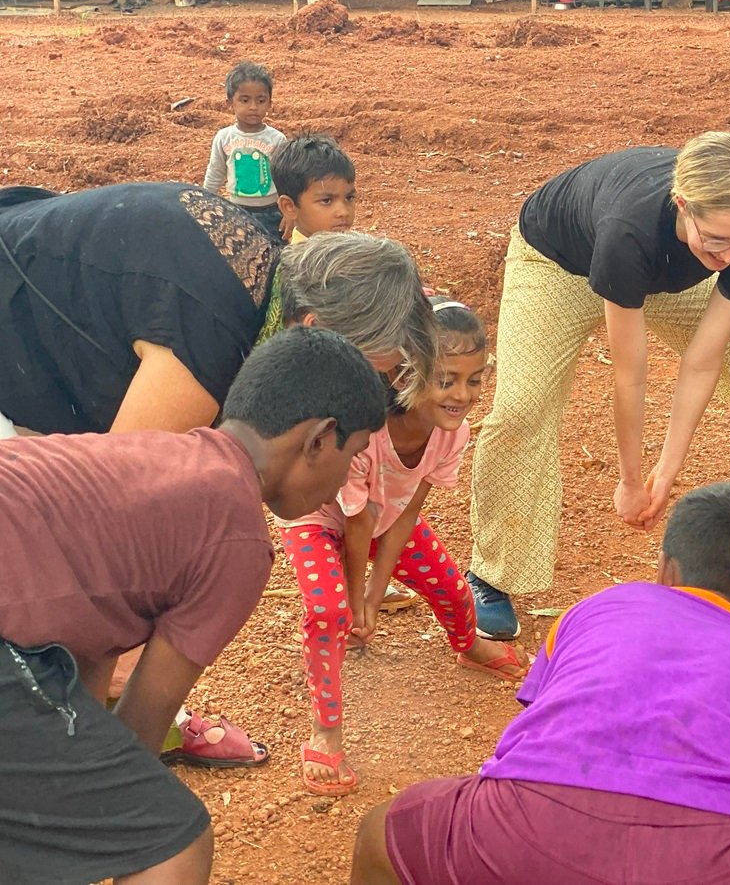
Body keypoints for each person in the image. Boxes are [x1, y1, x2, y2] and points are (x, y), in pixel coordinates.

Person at [0, 185, 438, 764]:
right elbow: (107, 524)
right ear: (313, 329)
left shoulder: (260, 276)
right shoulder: (210, 334)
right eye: (367, 375)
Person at [0, 326, 386, 885]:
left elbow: (85, 659)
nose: (344, 483)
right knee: (171, 842)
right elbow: (145, 716)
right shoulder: (238, 536)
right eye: (353, 456)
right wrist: (110, 821)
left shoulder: (159, 451)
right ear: (321, 438)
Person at [351, 482, 730, 885]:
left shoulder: (595, 609)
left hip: (523, 831)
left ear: (666, 572)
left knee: (381, 833)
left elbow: (544, 716)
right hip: (717, 862)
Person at [466, 131, 730, 640]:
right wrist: (632, 480)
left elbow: (702, 359)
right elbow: (629, 374)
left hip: (663, 275)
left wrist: (666, 472)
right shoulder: (629, 230)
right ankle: (492, 575)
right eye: (717, 238)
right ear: (682, 205)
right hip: (557, 265)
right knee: (523, 407)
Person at [279, 297, 528, 797]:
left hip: (383, 516)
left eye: (475, 379)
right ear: (406, 374)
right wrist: (355, 601)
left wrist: (375, 596)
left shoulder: (449, 433)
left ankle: (468, 645)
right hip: (321, 518)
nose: (463, 394)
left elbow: (405, 512)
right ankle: (325, 729)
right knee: (329, 612)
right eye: (447, 379)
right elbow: (355, 520)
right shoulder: (363, 429)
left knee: (453, 589)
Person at [202, 61, 288, 240]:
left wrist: (290, 212)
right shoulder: (224, 137)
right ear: (229, 103)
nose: (253, 107)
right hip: (236, 211)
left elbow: (286, 177)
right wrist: (204, 203)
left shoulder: (277, 139)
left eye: (261, 100)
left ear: (270, 103)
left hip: (272, 213)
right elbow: (216, 173)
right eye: (245, 100)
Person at [273, 133, 358, 244]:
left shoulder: (345, 251)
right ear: (289, 207)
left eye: (349, 198)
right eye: (326, 201)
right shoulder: (300, 260)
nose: (343, 212)